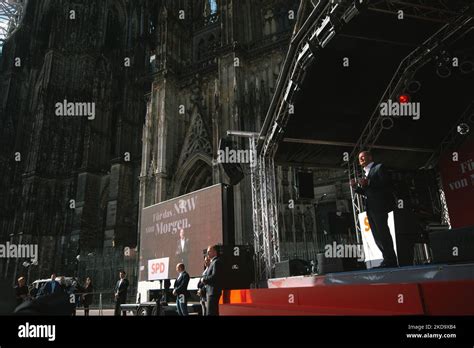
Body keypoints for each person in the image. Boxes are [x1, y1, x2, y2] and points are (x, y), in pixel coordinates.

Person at [350, 150, 398, 268]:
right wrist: (356, 187)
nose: (360, 159)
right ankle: (386, 259)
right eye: (359, 158)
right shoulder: (366, 173)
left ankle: (391, 260)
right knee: (376, 235)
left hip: (380, 206)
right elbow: (368, 192)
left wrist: (369, 182)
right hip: (370, 208)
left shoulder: (379, 168)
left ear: (370, 157)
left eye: (363, 157)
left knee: (383, 233)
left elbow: (387, 183)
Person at [202, 245, 222, 316]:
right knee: (211, 312)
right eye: (207, 252)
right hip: (210, 291)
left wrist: (204, 279)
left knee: (211, 312)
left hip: (213, 292)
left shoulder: (216, 262)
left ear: (215, 252)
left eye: (209, 251)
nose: (207, 253)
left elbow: (215, 276)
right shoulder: (212, 262)